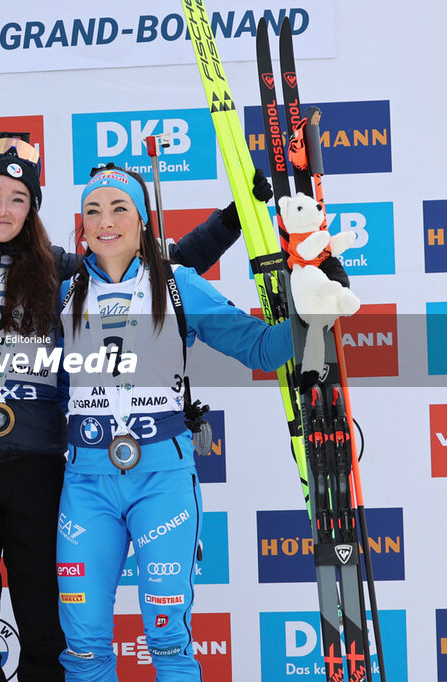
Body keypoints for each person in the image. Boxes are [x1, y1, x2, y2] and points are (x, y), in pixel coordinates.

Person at [0, 138, 272, 682]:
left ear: (33, 208)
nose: (1, 208)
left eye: (17, 197)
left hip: (52, 464)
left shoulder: (57, 272)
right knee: (4, 631)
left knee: (82, 627)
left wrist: (237, 221)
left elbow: (161, 268)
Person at [55, 166, 294, 681]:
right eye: (93, 211)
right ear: (82, 226)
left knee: (167, 640)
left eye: (120, 208)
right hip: (86, 482)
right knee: (83, 647)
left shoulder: (177, 285)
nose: (106, 221)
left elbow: (260, 348)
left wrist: (311, 314)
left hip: (162, 479)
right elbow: (14, 363)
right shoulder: (63, 293)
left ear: (142, 221)